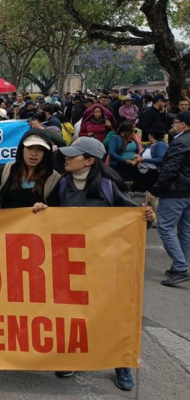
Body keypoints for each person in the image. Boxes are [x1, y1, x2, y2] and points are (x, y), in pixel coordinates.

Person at [32, 137, 154, 391]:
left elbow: (132, 216)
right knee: (75, 315)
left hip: (107, 263)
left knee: (112, 314)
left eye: (73, 155)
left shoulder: (109, 185)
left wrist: (147, 217)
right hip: (73, 264)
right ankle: (75, 357)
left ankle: (121, 363)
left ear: (89, 161)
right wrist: (42, 209)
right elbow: (53, 215)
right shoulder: (64, 183)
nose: (67, 158)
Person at [151, 111, 190, 287]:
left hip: (175, 191)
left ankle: (181, 267)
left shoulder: (180, 142)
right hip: (186, 192)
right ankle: (180, 265)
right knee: (185, 230)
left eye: (175, 122)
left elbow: (170, 169)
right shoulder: (182, 140)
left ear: (183, 125)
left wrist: (156, 190)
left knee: (165, 227)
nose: (172, 126)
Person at [0, 130, 61, 209]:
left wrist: (44, 208)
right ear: (22, 149)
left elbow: (54, 214)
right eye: (29, 148)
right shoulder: (4, 171)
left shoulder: (53, 178)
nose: (34, 153)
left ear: (45, 153)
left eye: (40, 149)